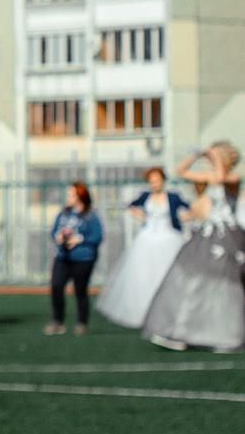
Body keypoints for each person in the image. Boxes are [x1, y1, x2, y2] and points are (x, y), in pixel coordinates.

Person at [142, 144, 245, 353]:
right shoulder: (208, 175)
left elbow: (220, 179)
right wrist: (197, 154)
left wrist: (215, 156)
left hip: (227, 239)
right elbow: (180, 171)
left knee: (225, 288)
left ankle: (227, 337)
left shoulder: (234, 178)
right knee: (190, 282)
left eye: (214, 157)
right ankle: (180, 333)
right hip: (206, 236)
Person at [98, 166, 186, 329]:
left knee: (166, 274)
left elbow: (188, 208)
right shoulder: (146, 196)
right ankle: (145, 313)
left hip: (168, 239)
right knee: (144, 275)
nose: (154, 184)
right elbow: (130, 205)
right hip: (148, 239)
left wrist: (182, 218)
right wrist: (140, 216)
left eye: (157, 180)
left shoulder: (172, 196)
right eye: (151, 181)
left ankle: (168, 314)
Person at [46, 183, 102, 335]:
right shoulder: (64, 213)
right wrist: (58, 237)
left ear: (80, 196)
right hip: (63, 257)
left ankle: (81, 323)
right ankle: (58, 321)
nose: (68, 198)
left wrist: (79, 239)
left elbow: (97, 236)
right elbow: (53, 232)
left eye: (72, 194)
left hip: (83, 258)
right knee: (56, 286)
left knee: (80, 290)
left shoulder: (90, 215)